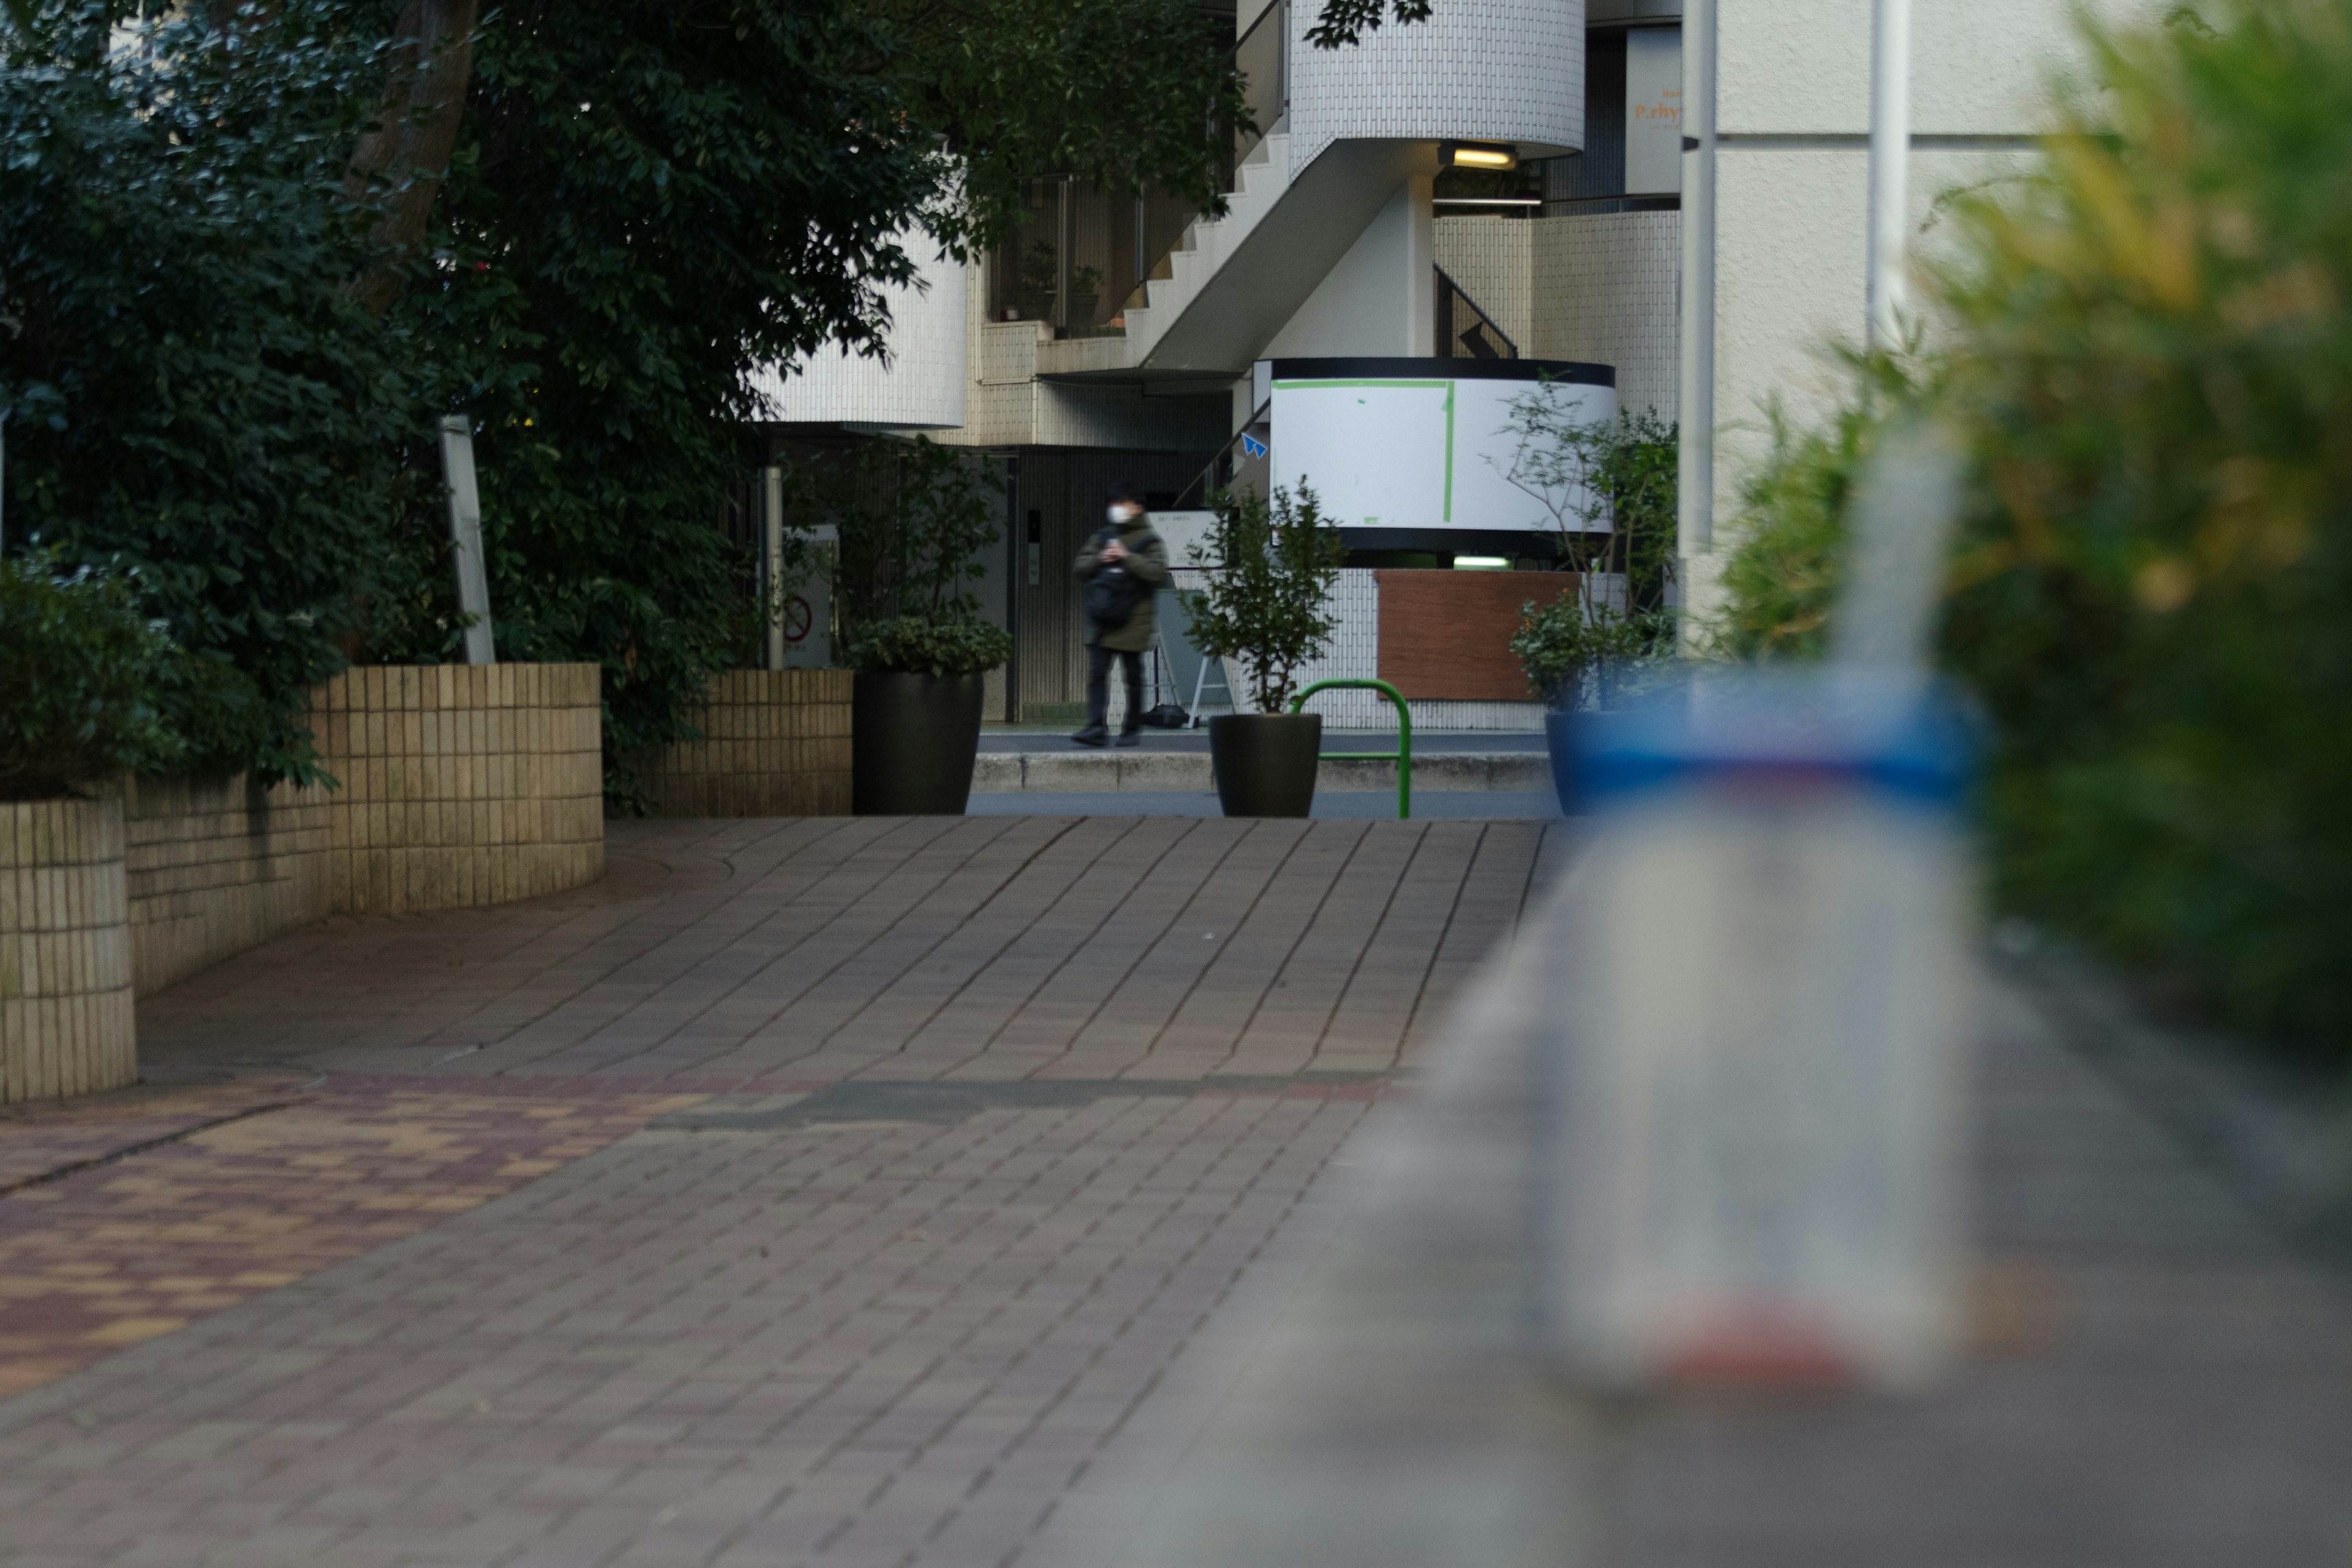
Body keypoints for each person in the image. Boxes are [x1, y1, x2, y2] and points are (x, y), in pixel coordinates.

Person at [1072, 479, 1169, 747]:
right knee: (1097, 674)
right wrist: (1100, 558)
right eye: (1113, 503)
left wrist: (1126, 556)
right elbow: (1080, 568)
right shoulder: (1103, 537)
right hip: (1102, 620)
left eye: (1122, 503)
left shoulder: (1150, 540)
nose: (1116, 508)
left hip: (1134, 621)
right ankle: (1095, 727)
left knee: (1133, 676)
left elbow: (1158, 574)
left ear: (1138, 507)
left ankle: (1131, 729)